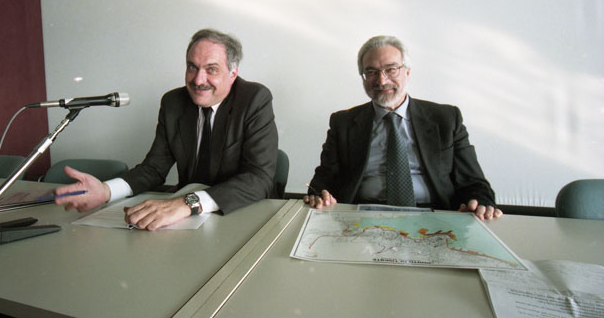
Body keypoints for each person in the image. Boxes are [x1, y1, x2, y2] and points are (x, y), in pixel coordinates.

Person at [54, 29, 279, 229]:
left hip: (240, 214)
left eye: (211, 69)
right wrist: (106, 191)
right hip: (187, 221)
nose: (198, 80)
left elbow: (259, 178)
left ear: (232, 74)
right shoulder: (173, 102)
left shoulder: (254, 99)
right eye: (192, 67)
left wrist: (186, 204)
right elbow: (154, 168)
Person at [304, 35, 502, 220]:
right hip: (362, 217)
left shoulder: (446, 119)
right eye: (371, 72)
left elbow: (474, 182)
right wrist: (319, 194)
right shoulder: (343, 122)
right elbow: (323, 180)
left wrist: (480, 202)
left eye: (391, 69)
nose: (381, 80)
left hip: (435, 217)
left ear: (407, 72)